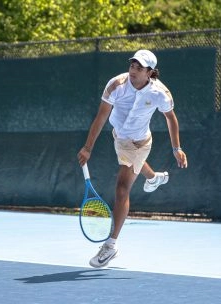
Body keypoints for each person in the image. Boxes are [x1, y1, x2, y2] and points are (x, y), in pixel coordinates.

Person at [77, 49, 188, 268]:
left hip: (140, 143)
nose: (133, 71)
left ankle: (111, 245)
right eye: (132, 66)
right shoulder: (116, 85)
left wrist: (177, 148)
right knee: (133, 165)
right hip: (119, 137)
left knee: (121, 188)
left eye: (139, 68)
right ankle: (154, 178)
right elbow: (101, 117)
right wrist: (87, 147)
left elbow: (171, 118)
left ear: (150, 73)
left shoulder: (160, 93)